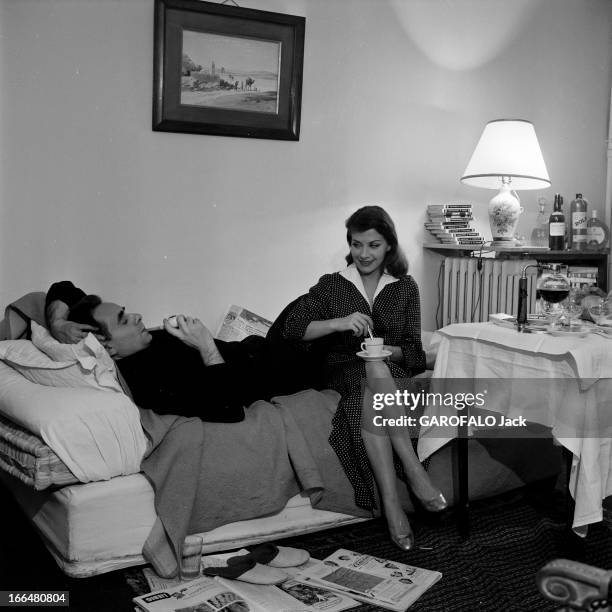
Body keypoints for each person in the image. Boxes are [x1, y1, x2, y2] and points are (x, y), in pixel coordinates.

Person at [282, 205, 446, 550]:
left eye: (373, 245)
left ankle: (390, 505)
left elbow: (415, 351)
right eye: (357, 244)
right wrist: (339, 323)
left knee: (367, 393)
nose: (364, 254)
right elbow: (293, 329)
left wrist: (385, 350)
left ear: (389, 245)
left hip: (389, 372)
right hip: (343, 367)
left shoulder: (405, 287)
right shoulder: (332, 285)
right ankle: (413, 469)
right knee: (369, 372)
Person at [44, 281, 322, 422]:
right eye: (123, 319)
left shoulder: (144, 347)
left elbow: (63, 288)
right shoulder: (147, 379)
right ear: (106, 346)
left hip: (265, 348)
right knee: (328, 294)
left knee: (328, 295)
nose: (137, 316)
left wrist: (57, 322)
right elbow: (228, 410)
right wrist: (205, 344)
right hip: (282, 371)